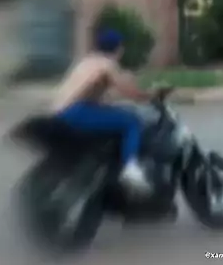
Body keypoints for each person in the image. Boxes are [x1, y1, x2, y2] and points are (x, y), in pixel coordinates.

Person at [50, 28, 155, 194]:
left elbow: (94, 94)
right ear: (119, 48)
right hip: (76, 112)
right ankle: (129, 168)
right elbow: (128, 90)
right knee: (132, 121)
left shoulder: (87, 61)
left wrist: (112, 102)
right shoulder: (107, 64)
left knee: (114, 114)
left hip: (59, 112)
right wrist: (150, 95)